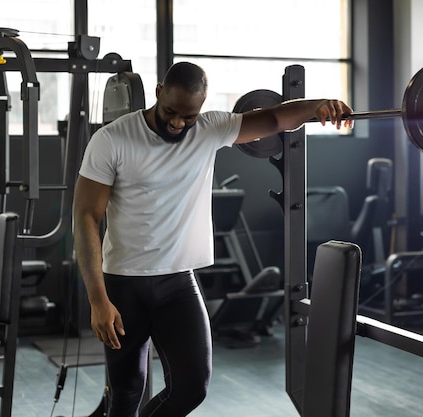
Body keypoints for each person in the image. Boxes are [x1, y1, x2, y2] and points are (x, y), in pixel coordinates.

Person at [73, 61, 353, 417]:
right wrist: (98, 299)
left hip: (177, 283)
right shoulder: (112, 139)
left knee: (192, 387)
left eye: (187, 117)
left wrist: (319, 106)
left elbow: (275, 119)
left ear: (201, 109)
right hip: (123, 285)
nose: (177, 123)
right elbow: (85, 217)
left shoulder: (209, 129)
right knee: (126, 394)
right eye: (170, 112)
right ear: (159, 93)